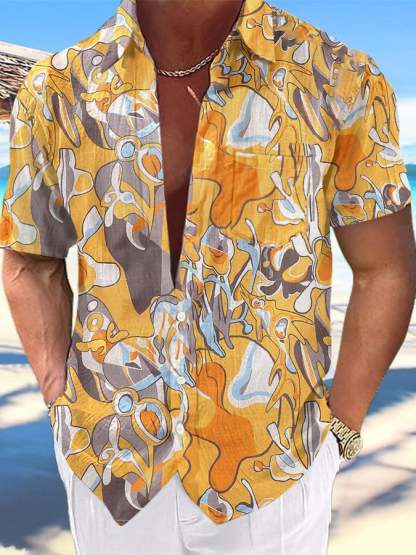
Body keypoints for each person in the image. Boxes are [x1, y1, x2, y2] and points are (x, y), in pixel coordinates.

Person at [1, 0, 415, 553]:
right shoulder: (57, 89)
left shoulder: (337, 76)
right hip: (107, 460)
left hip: (275, 464)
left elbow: (384, 267)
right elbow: (30, 259)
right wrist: (59, 402)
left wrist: (341, 427)